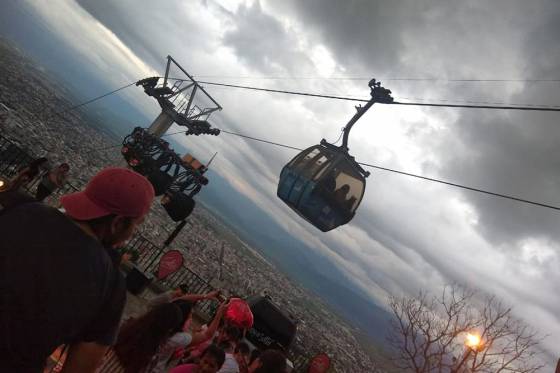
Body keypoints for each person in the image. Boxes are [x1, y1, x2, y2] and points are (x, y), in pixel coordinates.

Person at [0, 167, 155, 372]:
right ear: (117, 223)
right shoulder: (110, 284)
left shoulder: (22, 209)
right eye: (136, 224)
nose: (132, 233)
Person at [144, 299, 229, 373]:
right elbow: (207, 334)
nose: (191, 319)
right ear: (182, 319)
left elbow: (176, 302)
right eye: (190, 316)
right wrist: (219, 313)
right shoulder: (176, 338)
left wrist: (204, 296)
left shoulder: (150, 326)